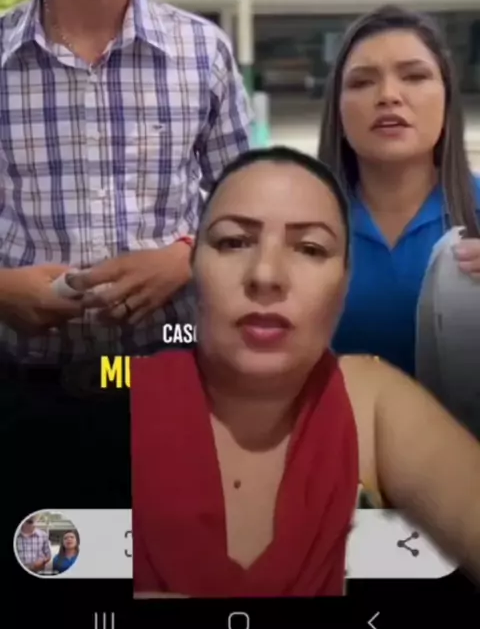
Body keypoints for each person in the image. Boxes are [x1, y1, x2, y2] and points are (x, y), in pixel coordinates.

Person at [0, 0, 251, 527]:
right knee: (38, 580)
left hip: (175, 384)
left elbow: (257, 218)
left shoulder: (202, 54)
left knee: (172, 574)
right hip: (20, 401)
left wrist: (186, 257)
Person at [130, 146, 480, 598]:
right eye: (234, 242)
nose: (265, 275)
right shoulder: (122, 396)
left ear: (345, 282)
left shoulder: (371, 402)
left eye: (310, 248)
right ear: (194, 267)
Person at [318, 5, 480, 377]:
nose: (388, 95)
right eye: (362, 82)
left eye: (414, 76)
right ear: (337, 110)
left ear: (448, 98)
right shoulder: (295, 224)